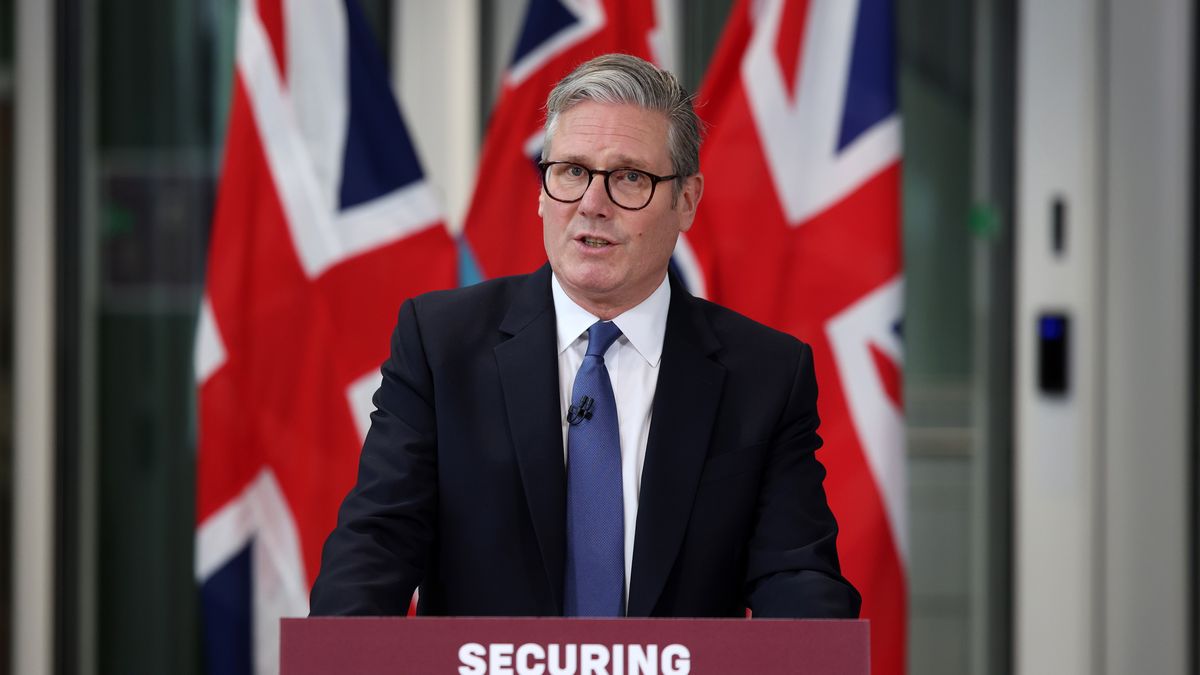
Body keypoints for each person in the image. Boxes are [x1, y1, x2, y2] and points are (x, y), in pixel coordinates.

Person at [309, 53, 860, 619]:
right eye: (572, 171)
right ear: (542, 191)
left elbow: (795, 573)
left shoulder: (766, 375)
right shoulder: (441, 345)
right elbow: (376, 543)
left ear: (686, 200)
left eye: (630, 178)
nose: (592, 205)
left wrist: (817, 644)